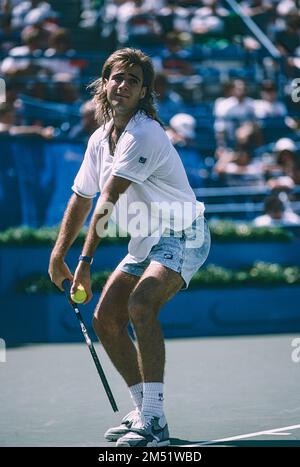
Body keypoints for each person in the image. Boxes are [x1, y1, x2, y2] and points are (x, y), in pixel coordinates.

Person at [48, 48, 210, 447]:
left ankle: (153, 421)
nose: (122, 85)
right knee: (105, 318)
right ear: (104, 83)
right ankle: (146, 411)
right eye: (116, 77)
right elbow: (81, 198)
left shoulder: (145, 133)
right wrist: (57, 255)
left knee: (140, 305)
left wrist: (83, 262)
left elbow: (108, 198)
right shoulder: (99, 139)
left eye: (132, 81)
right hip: (146, 241)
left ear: (143, 93)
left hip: (184, 234)